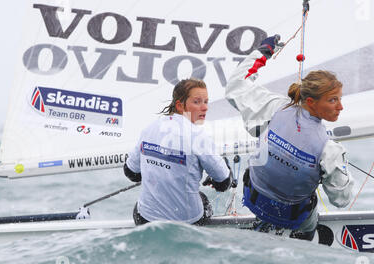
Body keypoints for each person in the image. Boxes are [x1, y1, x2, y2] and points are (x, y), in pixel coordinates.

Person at [225, 35, 354, 240]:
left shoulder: (276, 108)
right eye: (333, 100)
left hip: (253, 200)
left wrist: (262, 52)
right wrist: (341, 167)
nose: (340, 107)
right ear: (311, 101)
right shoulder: (330, 150)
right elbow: (341, 200)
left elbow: (235, 86)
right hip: (293, 219)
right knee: (306, 215)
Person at [124, 78, 232, 226]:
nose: (205, 107)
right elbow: (223, 183)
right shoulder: (199, 137)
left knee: (143, 206)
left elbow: (131, 173)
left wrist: (159, 169)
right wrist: (225, 169)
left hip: (145, 219)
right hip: (188, 222)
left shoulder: (150, 128)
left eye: (206, 101)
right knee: (203, 200)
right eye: (197, 102)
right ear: (180, 105)